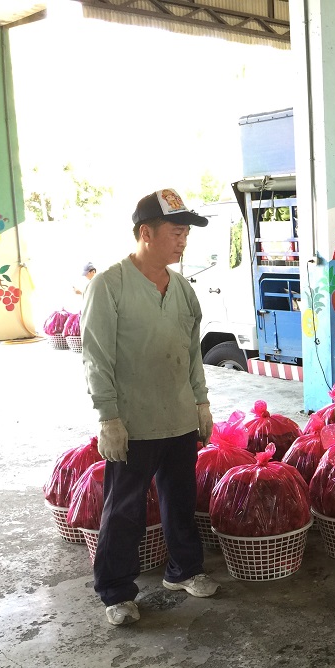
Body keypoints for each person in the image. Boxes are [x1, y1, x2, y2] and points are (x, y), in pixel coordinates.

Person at [81, 188, 219, 626]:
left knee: (180, 499)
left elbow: (192, 352)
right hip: (133, 423)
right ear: (146, 233)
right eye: (176, 233)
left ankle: (184, 570)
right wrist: (109, 417)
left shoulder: (182, 289)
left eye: (185, 234)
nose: (183, 242)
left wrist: (201, 402)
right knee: (125, 508)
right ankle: (117, 592)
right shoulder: (110, 285)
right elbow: (96, 357)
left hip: (178, 417)